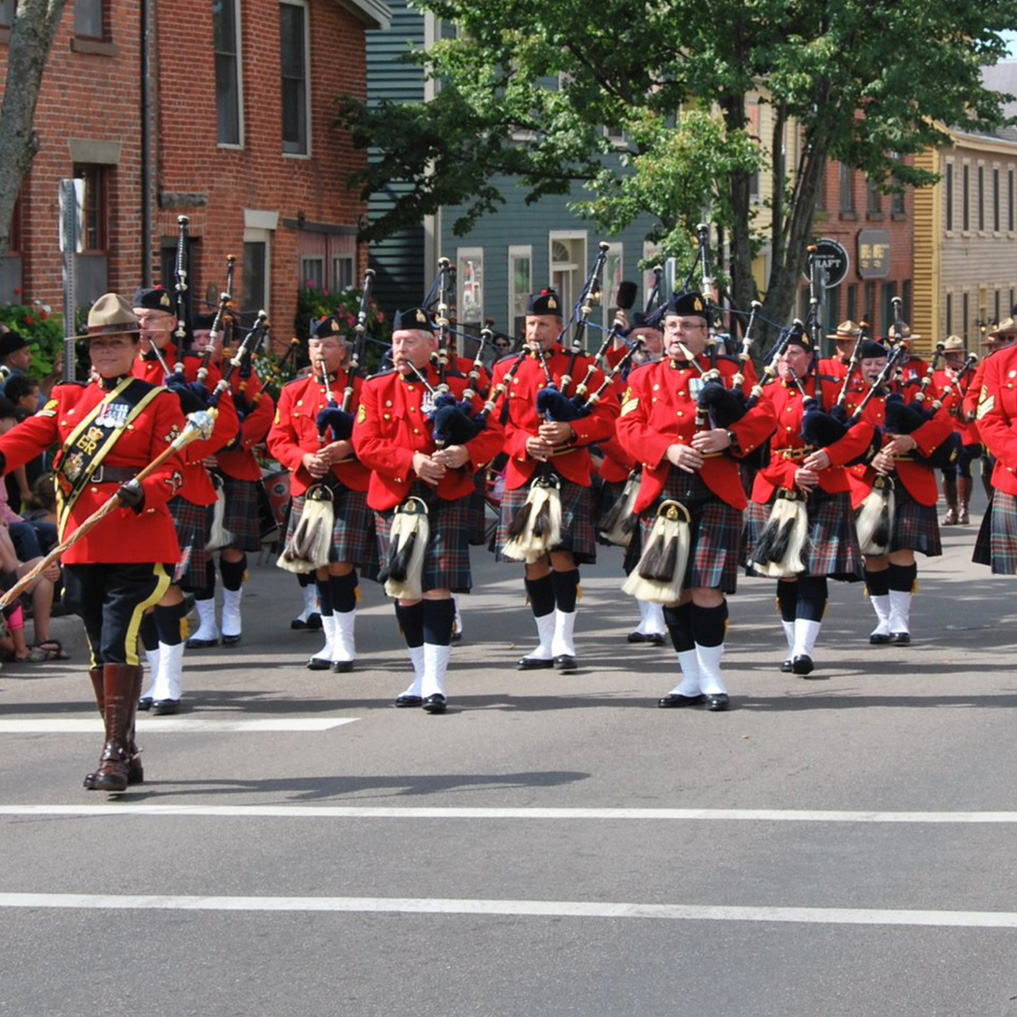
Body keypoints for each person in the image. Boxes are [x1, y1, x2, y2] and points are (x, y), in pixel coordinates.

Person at [0, 292, 187, 791]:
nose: (104, 353)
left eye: (115, 344)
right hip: (82, 540)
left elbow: (173, 472)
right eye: (97, 345)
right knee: (94, 646)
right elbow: (26, 437)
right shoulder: (68, 399)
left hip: (138, 539)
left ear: (134, 347)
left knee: (117, 638)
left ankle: (111, 756)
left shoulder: (158, 400)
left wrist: (140, 490)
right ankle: (126, 747)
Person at [615, 291, 776, 711]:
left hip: (716, 491)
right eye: (671, 326)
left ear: (706, 333)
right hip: (663, 490)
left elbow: (764, 416)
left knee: (706, 590)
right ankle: (689, 679)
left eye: (687, 327)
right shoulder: (643, 378)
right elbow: (628, 428)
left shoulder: (730, 371)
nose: (677, 334)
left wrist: (730, 437)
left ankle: (714, 679)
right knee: (672, 593)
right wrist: (665, 449)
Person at [352, 307, 503, 712]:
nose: (400, 348)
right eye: (397, 341)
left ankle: (436, 682)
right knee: (405, 592)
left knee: (436, 586)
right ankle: (419, 675)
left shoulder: (459, 385)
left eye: (410, 341)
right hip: (397, 496)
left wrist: (464, 452)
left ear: (432, 345)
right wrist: (411, 461)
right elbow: (365, 444)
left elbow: (494, 434)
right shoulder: (376, 388)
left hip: (447, 495)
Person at [490, 289, 618, 672]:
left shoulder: (582, 367)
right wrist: (524, 443)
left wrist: (570, 431)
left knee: (562, 555)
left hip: (568, 470)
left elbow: (609, 416)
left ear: (559, 329)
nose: (535, 331)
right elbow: (495, 426)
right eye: (530, 323)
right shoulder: (505, 369)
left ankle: (565, 641)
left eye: (543, 324)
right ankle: (544, 643)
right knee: (532, 558)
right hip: (525, 470)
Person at [131, 285, 239, 715]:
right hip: (130, 489)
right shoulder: (121, 370)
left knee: (165, 582)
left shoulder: (197, 367)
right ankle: (155, 676)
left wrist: (188, 450)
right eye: (137, 318)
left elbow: (226, 424)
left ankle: (169, 684)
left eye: (151, 319)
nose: (143, 326)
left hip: (179, 486)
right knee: (140, 586)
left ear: (172, 323)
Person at [743, 328, 874, 674]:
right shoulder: (764, 394)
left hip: (826, 486)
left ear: (810, 358)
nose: (788, 359)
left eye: (796, 352)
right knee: (786, 574)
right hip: (777, 490)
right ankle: (792, 646)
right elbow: (754, 447)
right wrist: (789, 474)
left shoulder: (832, 389)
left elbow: (863, 431)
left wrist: (832, 455)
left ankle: (803, 650)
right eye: (783, 353)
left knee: (813, 573)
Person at [268, 315, 376, 672]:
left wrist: (348, 447)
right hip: (310, 486)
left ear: (343, 351)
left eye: (327, 345)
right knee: (320, 568)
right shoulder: (293, 392)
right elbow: (277, 440)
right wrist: (303, 458)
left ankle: (346, 644)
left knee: (340, 563)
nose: (319, 352)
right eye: (315, 345)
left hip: (349, 484)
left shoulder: (363, 388)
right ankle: (330, 643)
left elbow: (376, 436)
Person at [843, 339, 955, 645]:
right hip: (867, 482)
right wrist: (868, 460)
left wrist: (913, 440)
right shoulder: (850, 399)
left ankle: (900, 620)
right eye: (868, 364)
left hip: (910, 478)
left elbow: (944, 422)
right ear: (859, 367)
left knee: (902, 550)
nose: (874, 369)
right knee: (874, 555)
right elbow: (838, 444)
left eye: (880, 364)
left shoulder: (912, 394)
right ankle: (883, 620)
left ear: (892, 367)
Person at [184, 312, 276, 648]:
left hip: (235, 467)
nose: (203, 344)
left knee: (234, 548)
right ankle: (207, 621)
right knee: (202, 550)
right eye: (197, 338)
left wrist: (227, 444)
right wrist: (195, 451)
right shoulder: (183, 373)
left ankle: (232, 611)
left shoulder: (239, 372)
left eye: (210, 337)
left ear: (225, 341)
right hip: (198, 471)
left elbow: (264, 412)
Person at [934, 335, 980, 525]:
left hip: (966, 427)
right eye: (950, 355)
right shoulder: (937, 376)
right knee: (948, 470)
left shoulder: (972, 374)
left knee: (964, 467)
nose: (954, 358)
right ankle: (952, 509)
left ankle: (964, 508)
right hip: (946, 427)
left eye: (957, 354)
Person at [816, 320, 863, 384]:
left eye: (849, 342)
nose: (845, 345)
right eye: (841, 342)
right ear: (836, 345)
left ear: (857, 345)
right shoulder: (823, 366)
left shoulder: (864, 369)